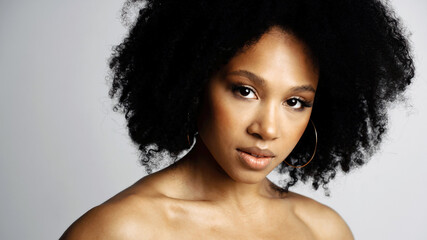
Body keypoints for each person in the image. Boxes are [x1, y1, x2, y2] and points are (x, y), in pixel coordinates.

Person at [60, 0, 414, 239]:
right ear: (192, 82)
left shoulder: (323, 230)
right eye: (245, 91)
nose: (268, 129)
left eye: (295, 101)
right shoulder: (119, 231)